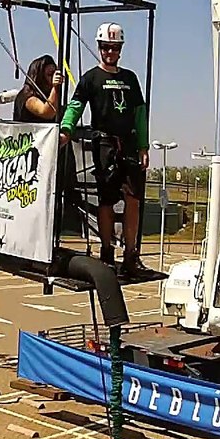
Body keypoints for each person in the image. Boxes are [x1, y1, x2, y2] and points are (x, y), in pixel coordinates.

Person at [59, 22, 150, 274]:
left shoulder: (130, 78)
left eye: (115, 47)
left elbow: (140, 113)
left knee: (133, 200)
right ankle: (107, 252)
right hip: (105, 145)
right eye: (106, 47)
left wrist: (143, 146)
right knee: (106, 201)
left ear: (121, 49)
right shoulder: (90, 78)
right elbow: (76, 106)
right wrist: (66, 129)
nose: (110, 52)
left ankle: (131, 255)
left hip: (129, 144)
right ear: (99, 47)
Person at [13, 54, 64, 123]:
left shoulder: (48, 95)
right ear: (39, 77)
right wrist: (55, 87)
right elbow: (47, 113)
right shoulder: (27, 96)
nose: (53, 78)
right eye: (50, 74)